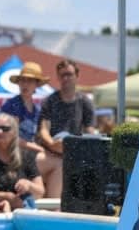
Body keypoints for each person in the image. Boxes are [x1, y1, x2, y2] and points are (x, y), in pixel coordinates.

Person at [36, 59, 95, 198]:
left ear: (77, 76)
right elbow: (43, 129)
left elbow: (90, 131)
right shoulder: (50, 101)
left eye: (69, 74)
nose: (66, 78)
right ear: (58, 77)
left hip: (76, 152)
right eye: (62, 75)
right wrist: (51, 143)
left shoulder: (85, 102)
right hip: (51, 151)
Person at [0, 113, 45, 209]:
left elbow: (40, 191)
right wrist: (3, 196)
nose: (0, 132)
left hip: (20, 212)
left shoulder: (26, 156)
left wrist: (29, 185)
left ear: (14, 132)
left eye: (5, 129)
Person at [1, 62, 48, 153]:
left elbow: (38, 137)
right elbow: (10, 137)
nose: (25, 84)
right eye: (22, 80)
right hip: (12, 153)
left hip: (29, 154)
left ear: (37, 85)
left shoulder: (37, 110)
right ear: (18, 83)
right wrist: (39, 149)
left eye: (30, 80)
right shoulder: (12, 105)